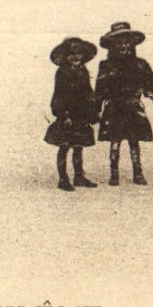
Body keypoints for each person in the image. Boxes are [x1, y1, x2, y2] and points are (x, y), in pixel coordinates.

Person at [93, 21, 153, 187]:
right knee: (115, 142)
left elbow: (149, 86)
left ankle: (138, 173)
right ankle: (114, 174)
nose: (123, 46)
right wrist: (95, 109)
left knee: (134, 141)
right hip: (114, 108)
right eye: (119, 43)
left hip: (133, 107)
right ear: (112, 46)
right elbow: (99, 90)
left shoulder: (141, 65)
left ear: (133, 44)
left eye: (127, 42)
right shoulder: (106, 66)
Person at [44, 35, 99, 192]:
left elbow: (88, 91)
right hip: (67, 114)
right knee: (65, 145)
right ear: (65, 56)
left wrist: (92, 109)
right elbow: (59, 95)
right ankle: (63, 178)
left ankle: (79, 176)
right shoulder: (62, 73)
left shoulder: (83, 70)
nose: (76, 57)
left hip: (81, 114)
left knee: (78, 145)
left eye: (79, 54)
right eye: (72, 54)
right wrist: (63, 114)